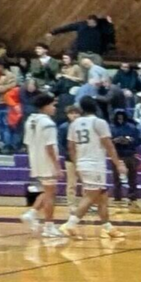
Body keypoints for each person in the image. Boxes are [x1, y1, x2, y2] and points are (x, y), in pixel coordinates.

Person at [59, 95, 127, 240]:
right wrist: (118, 163)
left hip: (83, 162)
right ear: (95, 106)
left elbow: (70, 147)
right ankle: (70, 224)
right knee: (90, 196)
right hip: (94, 164)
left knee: (102, 196)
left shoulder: (74, 123)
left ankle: (108, 227)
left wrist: (77, 163)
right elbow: (109, 145)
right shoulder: (99, 122)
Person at [21, 93, 64, 238]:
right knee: (51, 194)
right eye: (53, 105)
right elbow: (50, 147)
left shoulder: (30, 120)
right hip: (47, 161)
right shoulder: (48, 123)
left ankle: (32, 213)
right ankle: (49, 226)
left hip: (35, 160)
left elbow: (27, 143)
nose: (54, 108)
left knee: (47, 191)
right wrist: (57, 166)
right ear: (45, 106)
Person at [110, 109, 141, 212]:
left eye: (122, 115)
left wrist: (128, 141)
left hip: (130, 155)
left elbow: (137, 141)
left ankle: (133, 200)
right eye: (118, 116)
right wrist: (115, 141)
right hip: (117, 156)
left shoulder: (132, 128)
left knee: (132, 179)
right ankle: (117, 200)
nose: (120, 118)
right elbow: (107, 141)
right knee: (117, 180)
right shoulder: (111, 128)